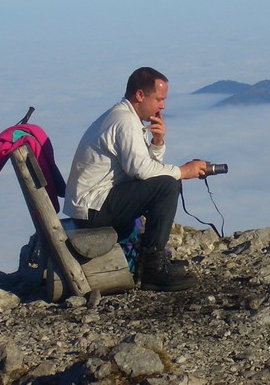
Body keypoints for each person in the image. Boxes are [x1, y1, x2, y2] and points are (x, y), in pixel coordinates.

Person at [64, 67, 208, 291]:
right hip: (92, 208)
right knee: (168, 184)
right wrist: (183, 171)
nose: (163, 106)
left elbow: (144, 171)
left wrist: (157, 142)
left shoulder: (124, 116)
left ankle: (152, 260)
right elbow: (141, 171)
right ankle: (153, 268)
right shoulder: (125, 121)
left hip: (91, 204)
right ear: (140, 95)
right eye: (159, 99)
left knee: (165, 182)